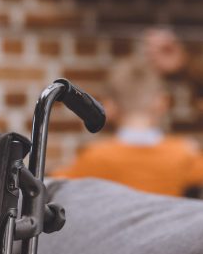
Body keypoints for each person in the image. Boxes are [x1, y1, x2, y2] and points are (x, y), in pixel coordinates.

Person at [54, 56, 203, 196]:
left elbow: (48, 188)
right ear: (163, 102)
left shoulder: (94, 157)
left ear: (109, 106)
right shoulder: (184, 155)